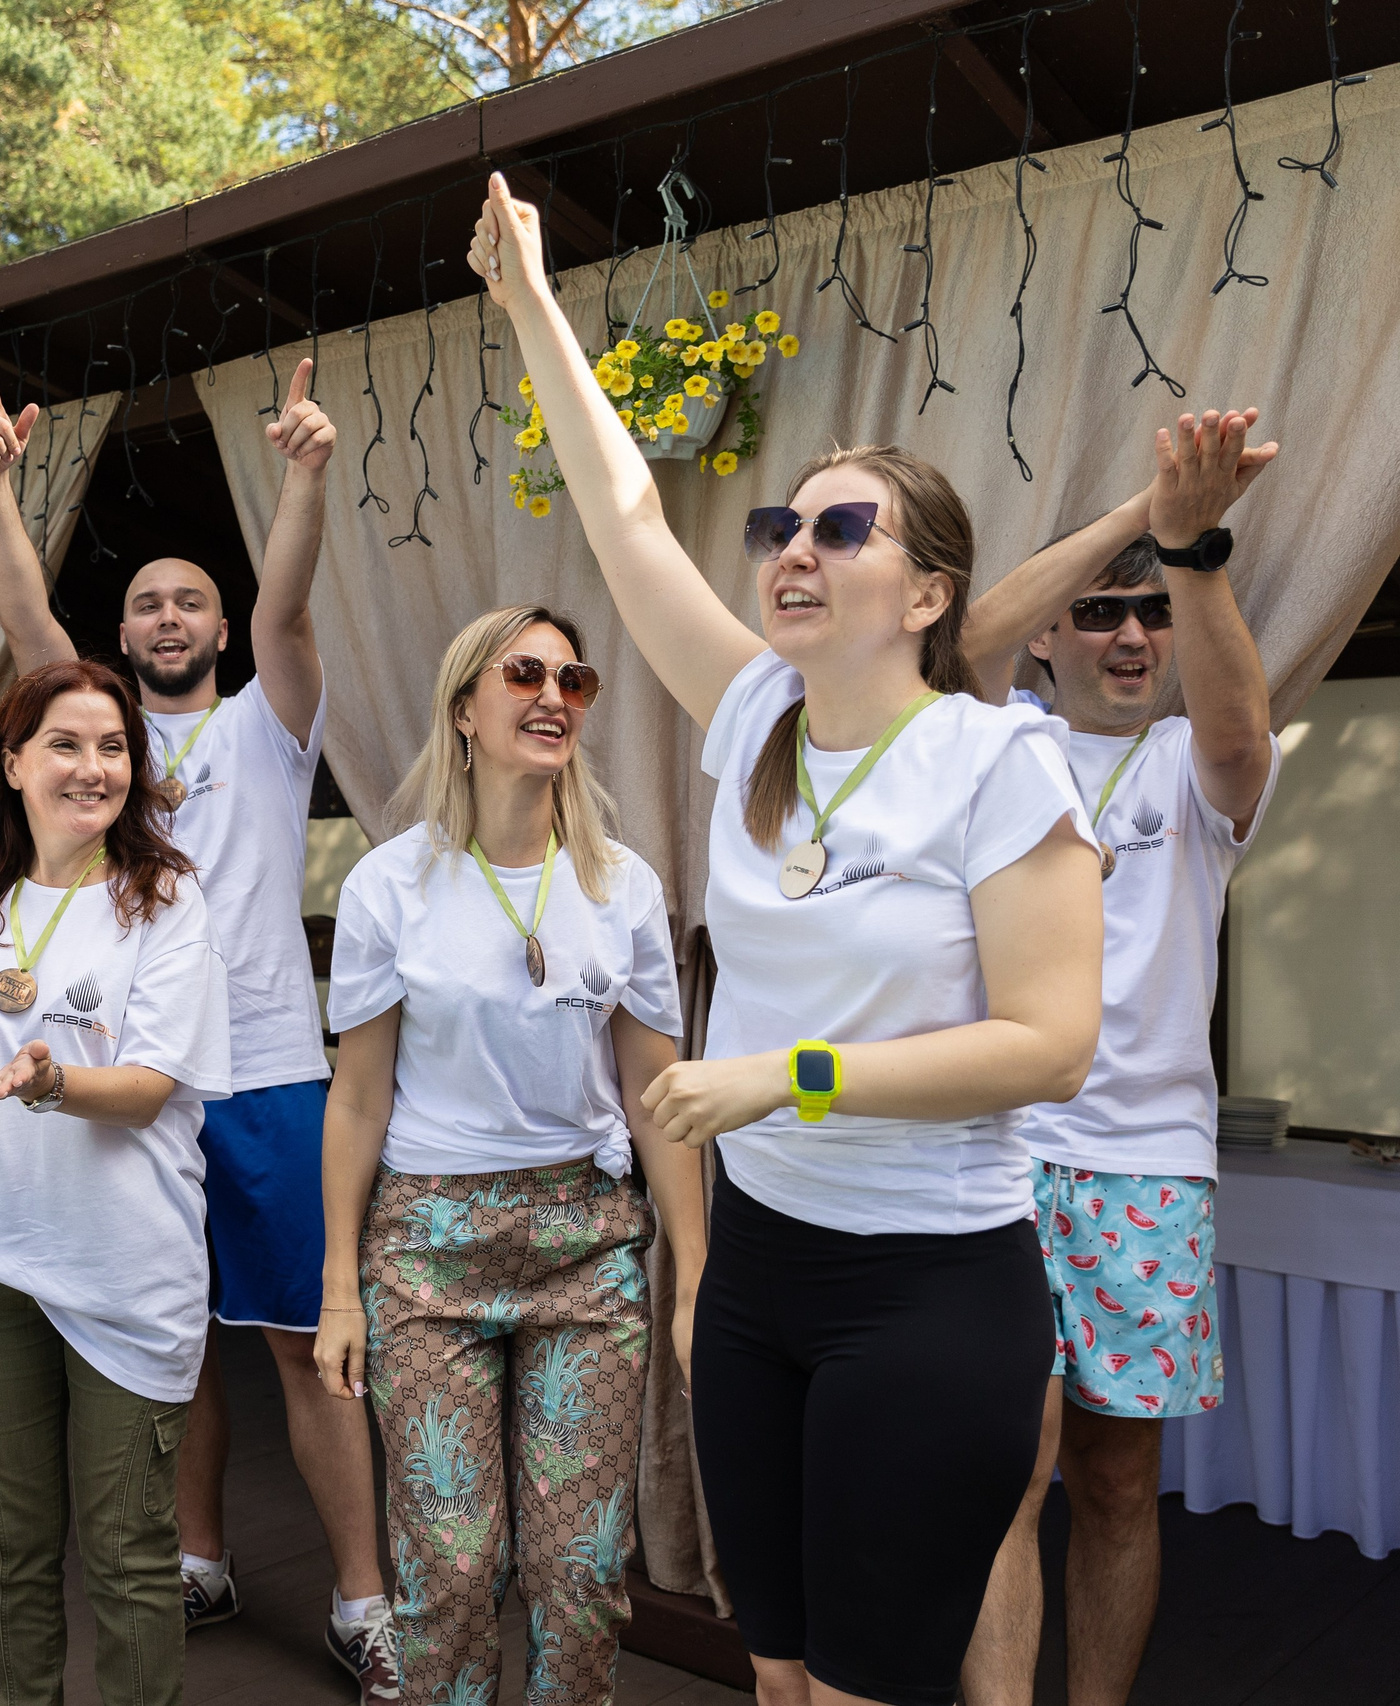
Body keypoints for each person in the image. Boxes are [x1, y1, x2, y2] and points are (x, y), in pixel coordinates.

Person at [468, 177, 1106, 1706]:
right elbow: (625, 517)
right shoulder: (758, 712)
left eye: (839, 525)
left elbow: (1048, 1043)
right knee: (779, 1674)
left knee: (871, 1687)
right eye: (781, 524)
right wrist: (531, 306)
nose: (792, 548)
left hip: (933, 1286)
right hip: (759, 1271)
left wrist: (785, 1076)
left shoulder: (999, 759)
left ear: (928, 590)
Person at [0, 362, 400, 1695]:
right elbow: (27, 619)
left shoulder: (271, 718)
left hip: (267, 1074)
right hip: (131, 1082)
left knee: (301, 1344)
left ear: (221, 626)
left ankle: (364, 1596)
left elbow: (292, 602)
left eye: (189, 599)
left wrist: (307, 478)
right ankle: (197, 1556)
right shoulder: (98, 741)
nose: (167, 615)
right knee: (171, 1326)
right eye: (147, 601)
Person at [312, 605, 710, 1702]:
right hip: (426, 1245)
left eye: (573, 680)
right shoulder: (389, 883)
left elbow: (654, 1092)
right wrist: (339, 1287)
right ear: (463, 709)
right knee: (446, 1568)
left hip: (585, 1243)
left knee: (580, 1571)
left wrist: (692, 1276)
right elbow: (356, 1099)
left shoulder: (619, 882)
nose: (552, 695)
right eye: (523, 672)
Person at [957, 410, 1279, 1706]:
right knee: (1005, 1469)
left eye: (1149, 611)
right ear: (1050, 633)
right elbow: (967, 643)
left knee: (1114, 1480)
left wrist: (1189, 548)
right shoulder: (984, 748)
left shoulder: (1191, 768)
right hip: (995, 1158)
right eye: (1099, 611)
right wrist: (1136, 514)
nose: (1131, 633)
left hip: (1145, 1168)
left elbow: (1245, 734)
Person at [0, 658, 231, 1706]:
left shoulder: (165, 901)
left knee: (130, 1553)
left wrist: (50, 1078)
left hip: (126, 1266)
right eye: (67, 745)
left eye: (114, 746)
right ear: (14, 763)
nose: (93, 767)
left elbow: (148, 1088)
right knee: (11, 1542)